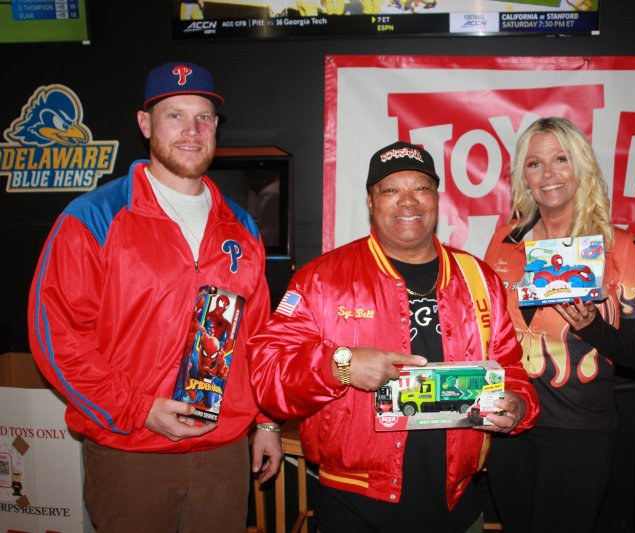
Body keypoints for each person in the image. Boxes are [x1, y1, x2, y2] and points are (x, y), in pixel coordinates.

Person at [27, 61, 283, 533]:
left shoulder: (242, 227)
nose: (192, 130)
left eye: (203, 117)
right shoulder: (94, 216)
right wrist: (139, 409)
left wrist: (267, 422)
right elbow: (57, 337)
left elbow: (259, 338)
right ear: (145, 124)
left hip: (222, 453)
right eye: (174, 115)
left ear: (216, 127)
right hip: (131, 451)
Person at [250, 141, 539, 532]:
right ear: (371, 201)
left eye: (420, 187)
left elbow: (511, 369)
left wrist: (518, 407)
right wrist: (341, 366)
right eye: (390, 189)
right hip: (355, 508)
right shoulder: (321, 279)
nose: (408, 201)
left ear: (436, 198)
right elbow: (268, 376)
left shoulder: (478, 277)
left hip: (457, 504)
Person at [482, 117, 635, 533]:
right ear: (523, 176)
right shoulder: (505, 240)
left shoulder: (620, 247)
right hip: (511, 423)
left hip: (578, 430)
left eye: (561, 159)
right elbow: (487, 332)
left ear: (582, 167)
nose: (548, 174)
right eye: (534, 164)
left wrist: (592, 326)